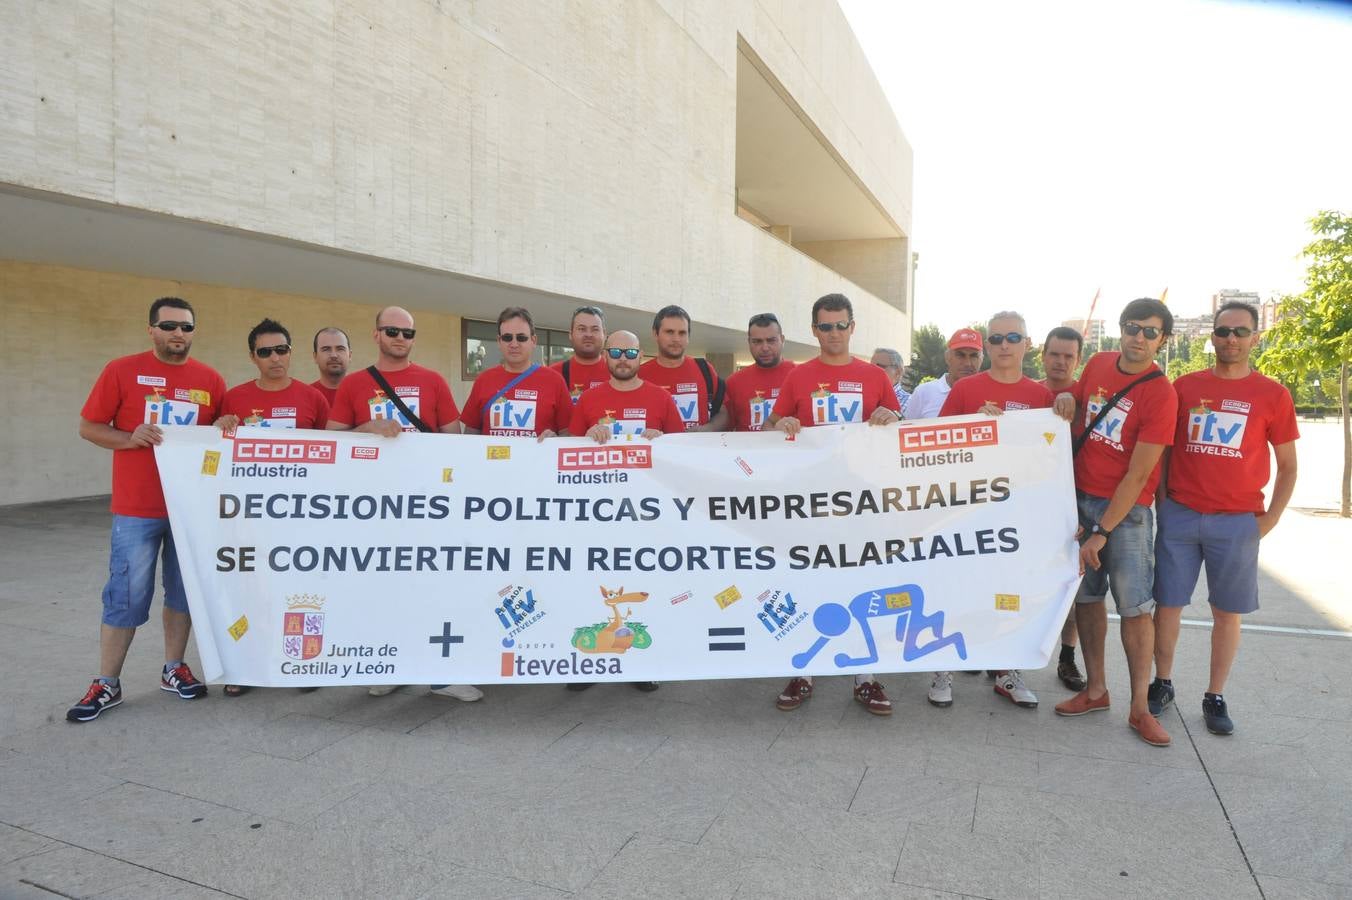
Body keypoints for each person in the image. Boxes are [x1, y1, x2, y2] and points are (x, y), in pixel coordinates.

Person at [67, 297, 227, 722]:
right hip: (137, 509)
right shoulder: (121, 370)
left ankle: (174, 668)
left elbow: (222, 435)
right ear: (151, 329)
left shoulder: (211, 379)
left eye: (187, 327)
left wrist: (226, 427)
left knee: (181, 592)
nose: (179, 333)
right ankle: (107, 682)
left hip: (189, 510)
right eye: (169, 325)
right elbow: (88, 427)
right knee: (125, 595)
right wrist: (128, 437)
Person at [1149, 301, 1298, 735]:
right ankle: (1162, 682)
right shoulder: (1185, 386)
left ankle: (1214, 694)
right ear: (1211, 336)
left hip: (1237, 522)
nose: (1230, 339)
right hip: (1181, 514)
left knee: (1226, 612)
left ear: (1255, 337)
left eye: (1240, 331)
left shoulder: (1274, 395)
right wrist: (1164, 501)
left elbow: (1288, 466)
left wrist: (1268, 520)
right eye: (1222, 331)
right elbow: (1165, 448)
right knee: (1169, 605)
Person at [327, 307, 479, 702]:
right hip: (374, 507)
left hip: (428, 506)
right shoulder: (355, 384)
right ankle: (391, 666)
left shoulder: (433, 381)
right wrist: (368, 428)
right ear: (376, 335)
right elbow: (333, 443)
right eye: (392, 331)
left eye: (407, 333)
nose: (400, 338)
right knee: (384, 588)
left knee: (434, 588)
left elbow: (453, 441)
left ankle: (442, 674)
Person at [926, 312, 1069, 711]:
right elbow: (936, 448)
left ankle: (1006, 669)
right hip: (965, 509)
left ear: (1027, 343)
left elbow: (1048, 457)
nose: (1004, 344)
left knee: (1009, 592)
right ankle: (942, 667)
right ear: (987, 346)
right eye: (996, 338)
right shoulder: (966, 390)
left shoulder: (1042, 397)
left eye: (1012, 337)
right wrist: (973, 425)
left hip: (1016, 513)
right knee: (954, 588)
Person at [769, 293, 901, 716]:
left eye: (840, 325)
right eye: (825, 326)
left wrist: (890, 418)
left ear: (852, 327)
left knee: (862, 587)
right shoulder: (798, 375)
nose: (833, 333)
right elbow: (773, 424)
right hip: (809, 500)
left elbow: (897, 423)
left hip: (862, 501)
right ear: (814, 331)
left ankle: (866, 676)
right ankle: (804, 670)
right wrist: (783, 424)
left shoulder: (872, 376)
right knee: (809, 582)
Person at [1053, 298, 1178, 748]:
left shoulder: (1162, 393)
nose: (1139, 337)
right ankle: (1096, 690)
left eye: (1150, 331)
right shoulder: (1100, 365)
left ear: (1163, 339)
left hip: (1125, 516)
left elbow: (1140, 473)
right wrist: (1068, 393)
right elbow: (1076, 410)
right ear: (1121, 329)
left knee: (1134, 610)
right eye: (1132, 327)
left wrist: (1103, 530)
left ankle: (1140, 708)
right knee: (1086, 599)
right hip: (1078, 502)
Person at [217, 318, 331, 697]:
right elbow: (214, 450)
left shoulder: (313, 399)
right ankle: (243, 667)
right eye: (265, 352)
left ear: (291, 352)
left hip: (300, 515)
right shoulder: (233, 398)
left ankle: (303, 662)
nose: (275, 357)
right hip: (248, 515)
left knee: (300, 592)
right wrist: (220, 426)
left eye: (281, 349)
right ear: (253, 357)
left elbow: (333, 454)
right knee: (248, 590)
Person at [569, 330, 684, 692]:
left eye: (630, 352)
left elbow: (684, 452)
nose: (623, 358)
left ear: (640, 356)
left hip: (645, 513)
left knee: (638, 588)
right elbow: (566, 449)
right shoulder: (589, 398)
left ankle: (639, 662)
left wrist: (662, 441)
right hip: (598, 511)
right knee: (595, 585)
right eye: (616, 351)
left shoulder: (660, 398)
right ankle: (590, 662)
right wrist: (587, 434)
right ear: (606, 355)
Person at [1041, 325, 1087, 691]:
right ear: (1042, 355)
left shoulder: (1087, 399)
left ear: (1078, 360)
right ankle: (999, 652)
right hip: (1027, 504)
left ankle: (1068, 656)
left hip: (1074, 504)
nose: (1060, 362)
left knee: (1073, 584)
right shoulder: (1027, 395)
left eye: (1068, 356)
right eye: (1054, 354)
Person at [461, 307, 572, 439]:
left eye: (521, 338)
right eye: (507, 337)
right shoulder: (484, 380)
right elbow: (470, 434)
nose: (514, 344)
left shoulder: (555, 381)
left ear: (533, 341)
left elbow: (568, 433)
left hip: (538, 460)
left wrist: (555, 440)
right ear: (499, 341)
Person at [704, 313, 797, 432]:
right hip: (748, 450)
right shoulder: (734, 383)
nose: (765, 347)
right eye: (757, 342)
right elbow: (724, 430)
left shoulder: (800, 375)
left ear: (782, 340)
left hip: (792, 449)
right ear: (749, 342)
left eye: (771, 340)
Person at [638, 305, 723, 432]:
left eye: (682, 333)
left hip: (696, 450)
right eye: (669, 332)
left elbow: (724, 412)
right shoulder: (639, 374)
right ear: (655, 334)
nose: (676, 339)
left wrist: (708, 429)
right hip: (657, 451)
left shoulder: (704, 369)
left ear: (688, 336)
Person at [902, 329, 983, 420]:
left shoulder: (987, 392)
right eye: (960, 355)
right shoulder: (923, 393)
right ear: (947, 357)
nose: (968, 363)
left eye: (974, 356)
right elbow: (906, 429)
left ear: (981, 360)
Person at [550, 306, 609, 404]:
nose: (588, 335)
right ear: (570, 334)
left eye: (595, 329)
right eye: (582, 329)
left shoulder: (617, 374)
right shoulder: (553, 375)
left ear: (605, 334)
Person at [310, 326, 351, 407]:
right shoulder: (306, 396)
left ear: (350, 355)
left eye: (340, 349)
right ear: (315, 357)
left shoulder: (366, 393)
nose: (334, 355)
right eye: (326, 349)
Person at [871, 347, 911, 414]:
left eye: (879, 367)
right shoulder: (863, 397)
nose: (872, 372)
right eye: (870, 367)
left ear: (898, 372)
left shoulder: (909, 402)